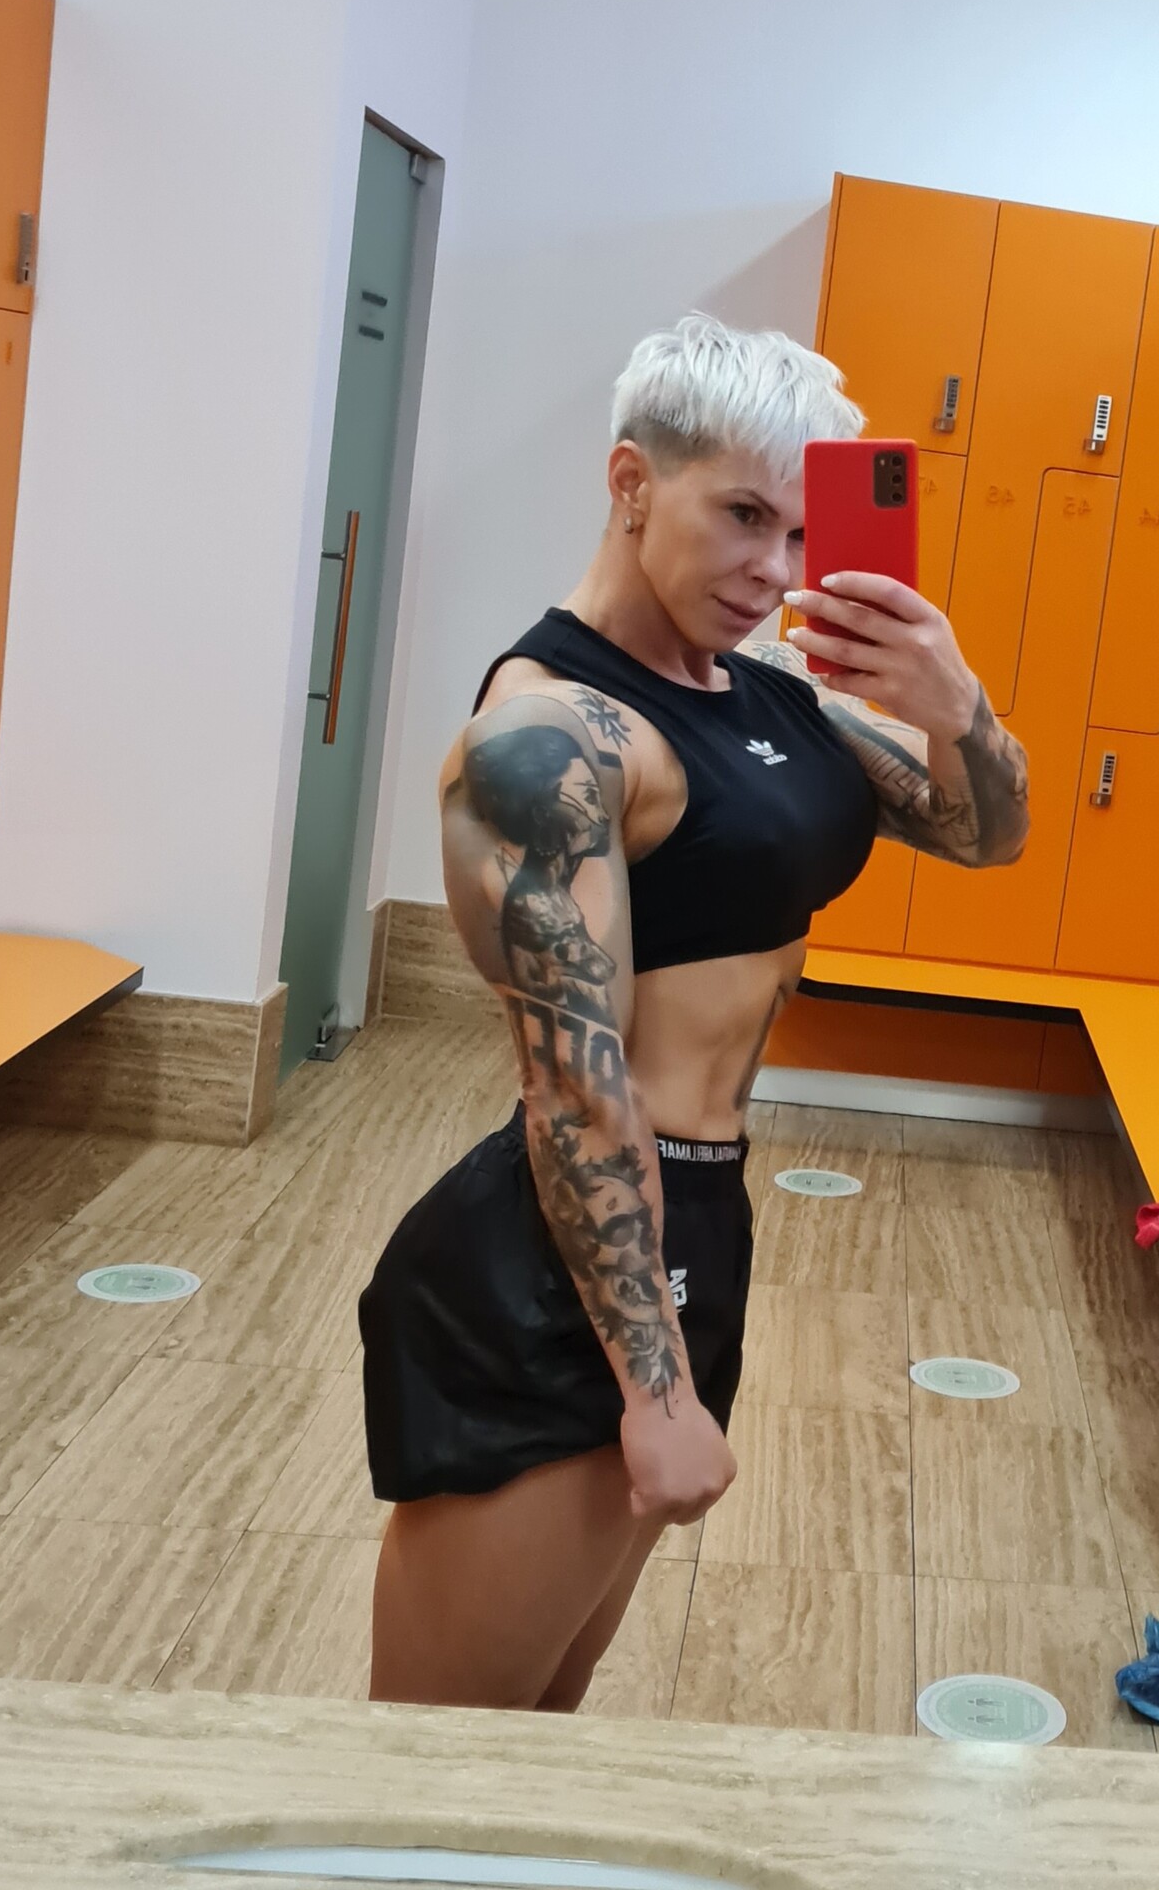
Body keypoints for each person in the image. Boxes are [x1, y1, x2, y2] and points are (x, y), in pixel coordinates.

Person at [358, 312, 1030, 1711]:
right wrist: (657, 1394)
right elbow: (572, 1081)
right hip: (569, 1257)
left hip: (701, 1224)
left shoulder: (769, 699)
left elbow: (986, 833)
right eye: (742, 517)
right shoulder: (549, 737)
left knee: (552, 1709)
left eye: (800, 533)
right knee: (442, 1754)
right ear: (630, 482)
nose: (776, 572)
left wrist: (951, 698)